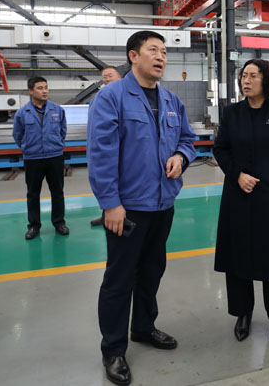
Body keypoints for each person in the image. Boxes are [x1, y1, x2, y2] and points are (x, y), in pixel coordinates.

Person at [87, 31, 196, 386]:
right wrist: (110, 204)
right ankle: (113, 349)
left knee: (152, 271)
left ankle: (144, 327)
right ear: (133, 56)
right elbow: (101, 154)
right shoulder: (112, 97)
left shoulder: (171, 100)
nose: (161, 56)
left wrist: (181, 156)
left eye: (164, 51)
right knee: (119, 279)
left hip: (163, 204)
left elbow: (187, 139)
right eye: (153, 50)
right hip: (128, 208)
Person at [213, 59, 269, 344]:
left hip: (268, 196)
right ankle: (243, 313)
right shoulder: (231, 113)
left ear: (266, 80)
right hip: (237, 196)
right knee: (238, 256)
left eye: (252, 76)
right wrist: (237, 175)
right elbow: (221, 149)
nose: (246, 81)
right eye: (243, 76)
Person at [12, 76, 69, 240]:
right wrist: (27, 148)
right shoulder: (22, 113)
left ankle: (59, 222)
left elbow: (63, 131)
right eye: (40, 88)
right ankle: (34, 225)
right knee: (33, 194)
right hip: (33, 158)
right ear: (30, 91)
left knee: (57, 192)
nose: (45, 91)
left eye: (46, 87)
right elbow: (17, 135)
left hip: (54, 156)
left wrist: (56, 144)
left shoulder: (57, 110)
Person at [90, 67, 122, 227]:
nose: (107, 79)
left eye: (110, 76)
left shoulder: (126, 97)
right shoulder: (100, 97)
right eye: (104, 77)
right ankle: (107, 212)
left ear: (120, 77)